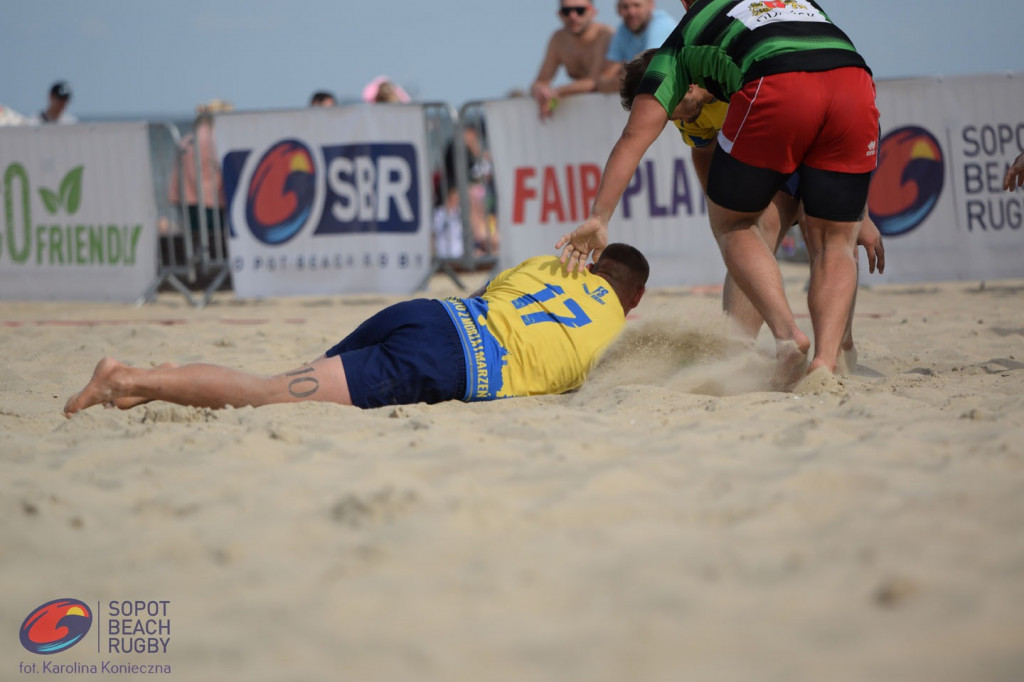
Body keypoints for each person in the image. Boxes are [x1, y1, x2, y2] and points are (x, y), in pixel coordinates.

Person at [557, 0, 880, 386]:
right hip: (853, 80)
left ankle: (799, 339)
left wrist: (600, 216)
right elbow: (704, 153)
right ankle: (811, 362)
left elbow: (633, 137)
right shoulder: (786, 7)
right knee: (831, 240)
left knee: (739, 228)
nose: (678, 117)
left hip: (778, 92)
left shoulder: (685, 45)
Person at [63, 244, 649, 415]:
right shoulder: (615, 336)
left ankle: (161, 380)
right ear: (636, 299)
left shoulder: (552, 265)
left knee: (289, 383)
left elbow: (488, 296)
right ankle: (125, 377)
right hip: (447, 362)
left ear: (594, 267)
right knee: (272, 397)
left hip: (429, 313)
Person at [624, 50, 884, 369]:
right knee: (754, 231)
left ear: (687, 85)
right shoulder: (685, 107)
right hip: (783, 142)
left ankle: (838, 351)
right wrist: (722, 207)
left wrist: (862, 212)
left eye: (667, 110)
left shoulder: (734, 77)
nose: (669, 119)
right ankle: (736, 351)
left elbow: (841, 140)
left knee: (829, 237)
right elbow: (702, 151)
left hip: (823, 122)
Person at [168, 99, 233, 260]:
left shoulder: (187, 139)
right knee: (214, 241)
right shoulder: (215, 138)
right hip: (210, 198)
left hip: (186, 197)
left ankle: (198, 267)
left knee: (195, 240)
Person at [530, 1, 614, 120]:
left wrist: (556, 92)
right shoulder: (558, 39)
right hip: (583, 113)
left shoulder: (605, 35)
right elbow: (542, 80)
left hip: (611, 109)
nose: (573, 16)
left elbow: (595, 82)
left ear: (593, 12)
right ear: (559, 14)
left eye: (580, 10)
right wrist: (540, 91)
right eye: (566, 11)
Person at [594, 0, 676, 93]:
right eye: (625, 7)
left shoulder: (661, 25)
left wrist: (618, 78)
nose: (631, 12)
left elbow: (645, 74)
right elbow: (606, 76)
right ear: (618, 9)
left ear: (651, 5)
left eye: (637, 5)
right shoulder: (623, 29)